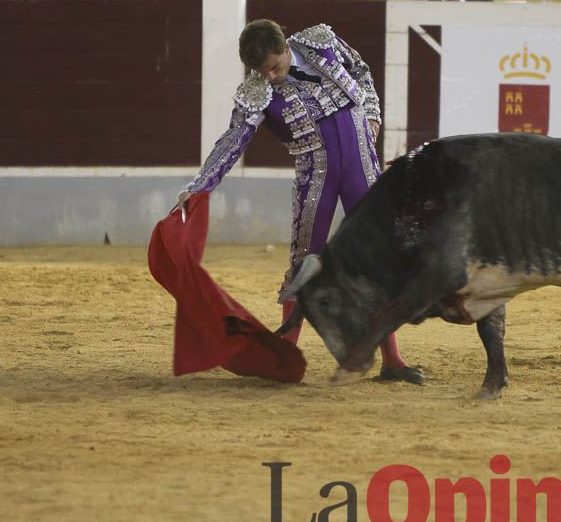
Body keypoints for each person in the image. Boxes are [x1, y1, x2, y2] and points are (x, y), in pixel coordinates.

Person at [176, 19, 423, 384]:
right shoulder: (256, 91)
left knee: (379, 260)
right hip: (317, 177)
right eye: (262, 71)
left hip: (362, 166)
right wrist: (199, 185)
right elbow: (232, 142)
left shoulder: (321, 41)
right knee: (305, 265)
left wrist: (372, 113)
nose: (271, 77)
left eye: (274, 66)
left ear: (285, 48)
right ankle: (283, 360)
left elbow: (361, 70)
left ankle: (393, 360)